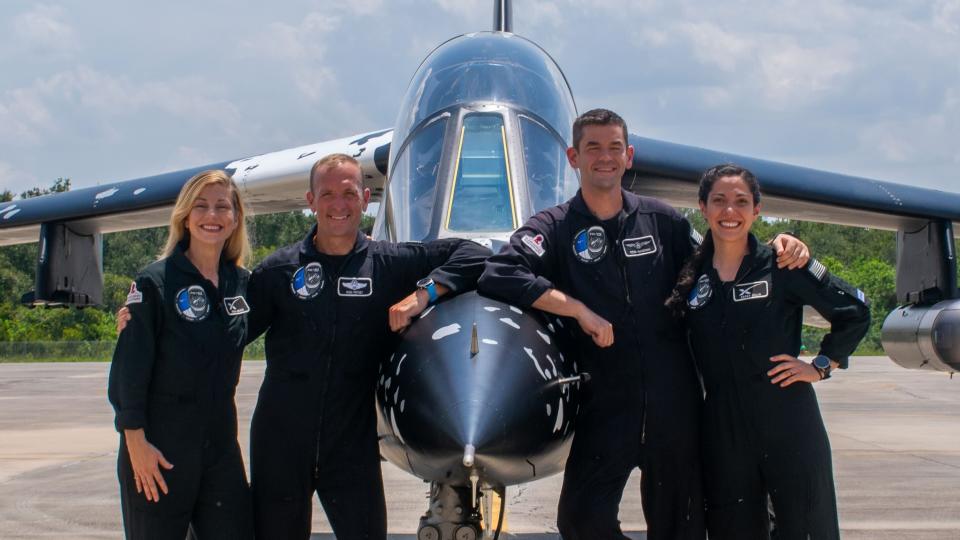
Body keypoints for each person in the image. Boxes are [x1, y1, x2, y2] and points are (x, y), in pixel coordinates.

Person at [478, 109, 810, 540]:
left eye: (615, 147)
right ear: (573, 157)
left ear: (629, 156)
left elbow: (722, 258)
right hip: (605, 404)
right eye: (593, 147)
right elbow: (499, 273)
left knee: (682, 527)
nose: (605, 157)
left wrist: (778, 246)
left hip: (675, 406)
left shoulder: (663, 221)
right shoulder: (555, 227)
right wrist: (578, 310)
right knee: (581, 522)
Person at [243, 153, 490, 539]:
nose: (338, 205)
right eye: (327, 194)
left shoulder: (389, 263)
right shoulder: (278, 272)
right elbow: (224, 334)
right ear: (310, 201)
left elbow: (475, 254)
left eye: (348, 193)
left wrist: (423, 294)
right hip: (281, 442)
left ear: (366, 197)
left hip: (352, 443)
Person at [664, 164, 870, 540]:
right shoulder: (691, 278)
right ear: (703, 208)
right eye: (719, 201)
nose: (730, 211)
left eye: (741, 202)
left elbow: (855, 311)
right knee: (732, 528)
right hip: (722, 426)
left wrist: (821, 365)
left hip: (787, 417)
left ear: (757, 210)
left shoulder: (782, 264)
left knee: (807, 526)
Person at [108, 170, 254, 539]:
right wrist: (135, 442)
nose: (212, 216)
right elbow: (129, 371)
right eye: (201, 206)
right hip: (159, 448)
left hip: (220, 447)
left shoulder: (243, 284)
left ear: (235, 218)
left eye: (223, 207)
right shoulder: (154, 282)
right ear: (186, 217)